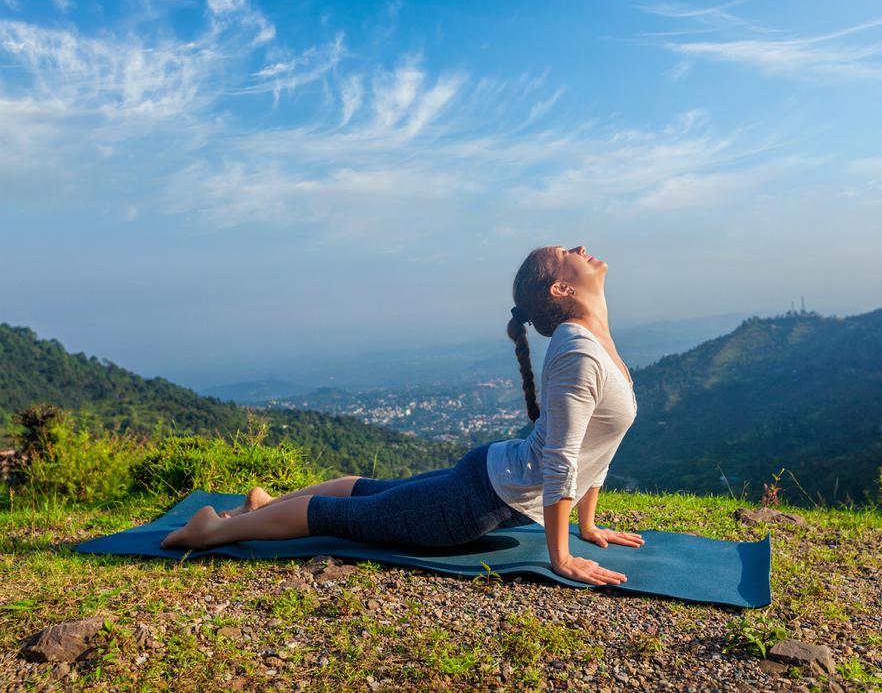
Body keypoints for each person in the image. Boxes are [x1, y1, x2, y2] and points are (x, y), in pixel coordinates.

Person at [161, 244, 643, 586]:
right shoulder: (576, 349)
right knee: (345, 516)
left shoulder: (595, 343)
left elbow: (593, 448)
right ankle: (214, 530)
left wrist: (587, 525)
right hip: (475, 502)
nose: (581, 247)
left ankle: (265, 506)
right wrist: (561, 556)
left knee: (365, 493)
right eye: (567, 252)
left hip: (489, 479)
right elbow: (561, 456)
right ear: (561, 286)